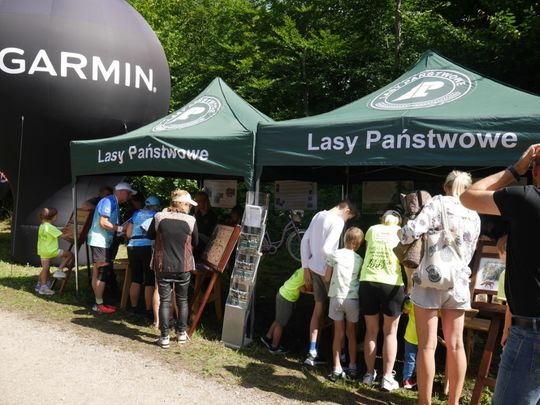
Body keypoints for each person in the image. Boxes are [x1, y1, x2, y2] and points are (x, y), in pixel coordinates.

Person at [460, 144, 540, 405]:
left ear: (535, 170)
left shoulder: (527, 199)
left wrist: (516, 169)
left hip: (531, 333)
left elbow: (469, 196)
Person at [400, 171, 480, 405]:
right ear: (468, 189)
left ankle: (425, 402)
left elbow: (411, 232)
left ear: (445, 187)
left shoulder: (437, 202)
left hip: (430, 280)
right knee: (456, 345)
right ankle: (453, 402)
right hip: (458, 282)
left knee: (427, 346)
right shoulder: (474, 213)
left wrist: (401, 233)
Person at [300, 200, 357, 366]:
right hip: (328, 272)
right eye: (348, 218)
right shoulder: (338, 221)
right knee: (338, 313)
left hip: (313, 268)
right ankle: (342, 356)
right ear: (346, 210)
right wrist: (335, 265)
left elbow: (305, 241)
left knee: (318, 309)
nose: (346, 221)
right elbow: (327, 249)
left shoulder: (319, 215)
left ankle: (312, 351)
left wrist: (305, 267)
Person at [359, 210, 405, 391]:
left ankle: (368, 375)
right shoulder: (401, 232)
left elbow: (368, 249)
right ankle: (387, 377)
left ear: (382, 219)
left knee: (371, 331)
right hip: (391, 283)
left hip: (368, 281)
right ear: (399, 222)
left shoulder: (372, 229)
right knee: (390, 333)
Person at [146, 189, 199, 348]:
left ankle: (164, 337)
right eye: (189, 205)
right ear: (183, 204)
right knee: (182, 300)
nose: (190, 208)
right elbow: (196, 242)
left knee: (165, 301)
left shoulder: (159, 217)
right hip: (184, 266)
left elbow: (150, 235)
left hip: (163, 265)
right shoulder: (191, 220)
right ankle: (181, 333)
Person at [87, 181, 136, 314]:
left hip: (102, 241)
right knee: (102, 271)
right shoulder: (108, 201)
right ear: (122, 192)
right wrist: (120, 229)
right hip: (100, 241)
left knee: (98, 270)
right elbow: (103, 222)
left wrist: (119, 230)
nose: (129, 197)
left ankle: (98, 302)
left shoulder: (113, 202)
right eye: (129, 194)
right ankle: (98, 304)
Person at [324, 227, 364, 381]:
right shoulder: (359, 259)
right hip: (352, 299)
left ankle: (336, 367)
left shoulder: (334, 254)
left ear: (344, 238)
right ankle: (352, 366)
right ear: (359, 243)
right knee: (351, 334)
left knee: (338, 334)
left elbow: (327, 278)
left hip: (336, 297)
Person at [125, 196, 160, 322]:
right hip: (147, 247)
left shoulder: (136, 214)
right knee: (149, 280)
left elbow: (128, 234)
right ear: (156, 206)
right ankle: (149, 310)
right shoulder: (157, 215)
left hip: (132, 247)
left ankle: (134, 307)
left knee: (136, 278)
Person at [260, 268, 305, 354]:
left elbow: (300, 286)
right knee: (281, 324)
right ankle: (274, 347)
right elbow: (303, 289)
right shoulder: (307, 274)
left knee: (278, 319)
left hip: (282, 293)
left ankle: (267, 337)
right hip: (286, 298)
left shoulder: (302, 269)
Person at [35, 207, 74, 295]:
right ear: (53, 217)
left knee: (45, 269)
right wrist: (73, 232)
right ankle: (59, 270)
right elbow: (63, 236)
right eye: (56, 215)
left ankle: (42, 286)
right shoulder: (51, 227)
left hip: (42, 250)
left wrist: (62, 230)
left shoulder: (42, 225)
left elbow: (54, 233)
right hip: (51, 250)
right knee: (69, 255)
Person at [494, 235, 512, 348]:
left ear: (504, 253)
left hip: (516, 330)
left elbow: (510, 308)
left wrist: (505, 331)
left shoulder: (505, 275)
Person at [193, 191, 218, 259]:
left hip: (206, 247)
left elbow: (214, 234)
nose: (197, 203)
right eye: (196, 201)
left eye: (200, 201)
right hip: (196, 246)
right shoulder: (196, 214)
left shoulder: (212, 216)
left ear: (205, 202)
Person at [402, 297, 418, 390]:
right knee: (422, 359)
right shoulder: (432, 301)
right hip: (425, 337)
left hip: (410, 335)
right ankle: (420, 379)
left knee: (410, 359)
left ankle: (407, 380)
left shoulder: (412, 300)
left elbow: (405, 311)